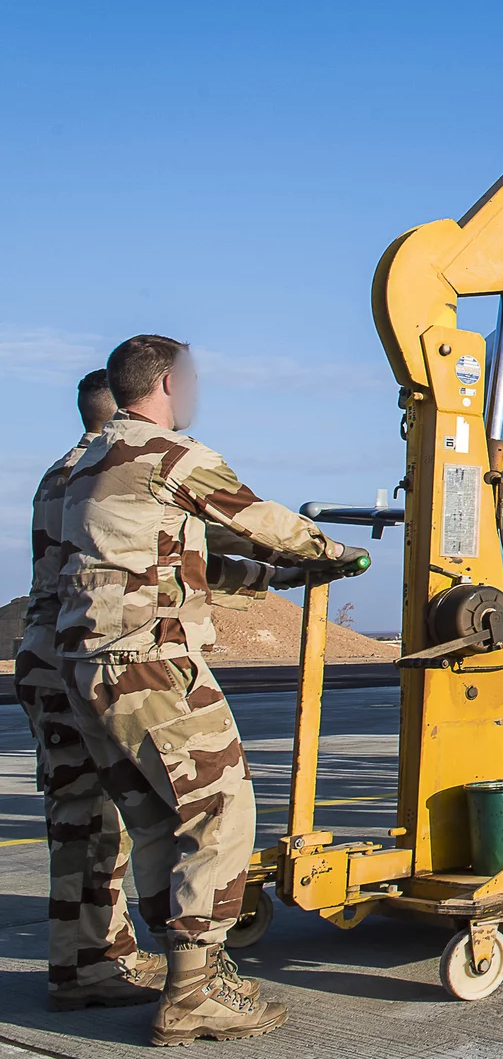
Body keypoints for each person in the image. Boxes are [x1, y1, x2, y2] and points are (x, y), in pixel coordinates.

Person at [56, 336, 365, 1045]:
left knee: (158, 821)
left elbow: (184, 555)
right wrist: (329, 552)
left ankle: (188, 972)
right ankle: (195, 993)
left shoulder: (90, 461)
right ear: (170, 382)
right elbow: (252, 517)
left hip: (89, 667)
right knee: (222, 811)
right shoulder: (170, 454)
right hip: (150, 662)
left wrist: (276, 578)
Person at [14, 370, 162, 1011]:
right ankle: (90, 968)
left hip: (43, 654)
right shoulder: (107, 473)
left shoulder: (59, 471)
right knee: (101, 822)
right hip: (83, 656)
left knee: (79, 816)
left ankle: (88, 959)